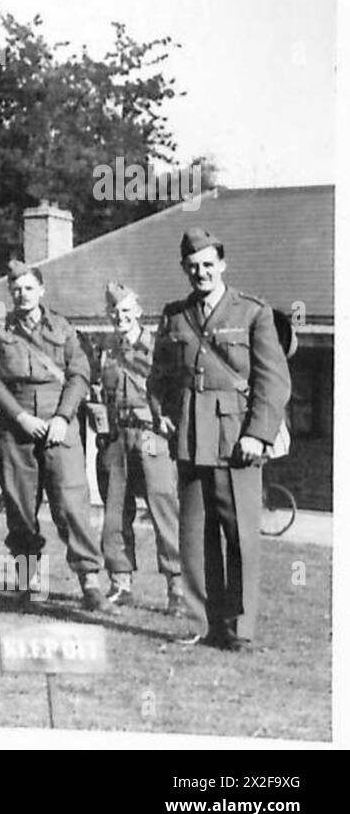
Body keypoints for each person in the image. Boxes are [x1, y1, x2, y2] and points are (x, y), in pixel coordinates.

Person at [147, 229, 290, 651]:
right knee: (194, 535)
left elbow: (273, 382)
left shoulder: (253, 313)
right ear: (184, 268)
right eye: (193, 266)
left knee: (241, 535)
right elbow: (159, 376)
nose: (201, 272)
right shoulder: (174, 316)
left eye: (209, 264)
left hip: (235, 440)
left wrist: (258, 434)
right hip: (190, 438)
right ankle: (204, 623)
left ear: (222, 265)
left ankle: (239, 629)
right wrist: (161, 415)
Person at [0, 260, 112, 612]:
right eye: (16, 289)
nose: (22, 294)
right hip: (17, 427)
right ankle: (28, 586)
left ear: (41, 290)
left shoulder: (64, 328)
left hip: (60, 426)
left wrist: (62, 417)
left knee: (72, 506)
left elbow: (79, 374)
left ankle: (90, 583)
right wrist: (21, 417)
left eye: (28, 287)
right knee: (21, 508)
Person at [92, 282, 183, 614]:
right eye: (115, 312)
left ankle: (176, 586)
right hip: (116, 437)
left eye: (127, 311)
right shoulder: (105, 350)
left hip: (149, 434)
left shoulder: (158, 347)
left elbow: (174, 389)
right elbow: (97, 392)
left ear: (139, 313)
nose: (121, 317)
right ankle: (121, 583)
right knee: (115, 512)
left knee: (163, 509)